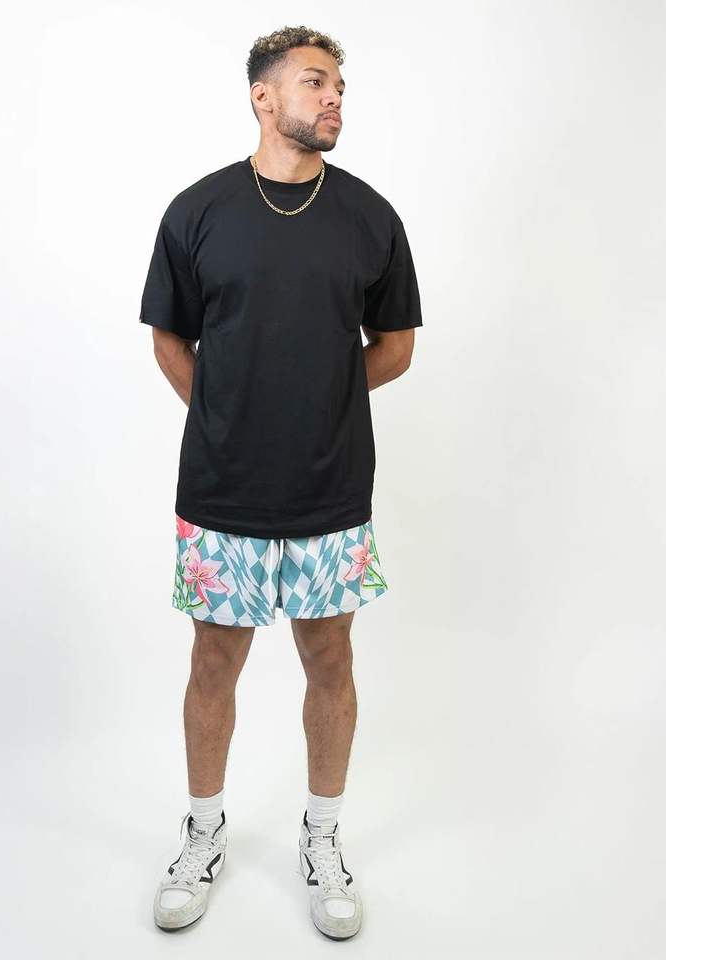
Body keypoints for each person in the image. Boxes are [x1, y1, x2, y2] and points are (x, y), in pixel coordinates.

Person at [139, 24, 422, 941]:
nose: (334, 97)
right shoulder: (198, 211)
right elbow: (169, 338)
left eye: (339, 85)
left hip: (330, 488)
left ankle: (323, 837)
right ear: (264, 97)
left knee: (330, 659)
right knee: (212, 662)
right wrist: (231, 413)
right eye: (314, 82)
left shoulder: (370, 218)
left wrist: (319, 401)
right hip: (221, 488)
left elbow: (395, 348)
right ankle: (203, 833)